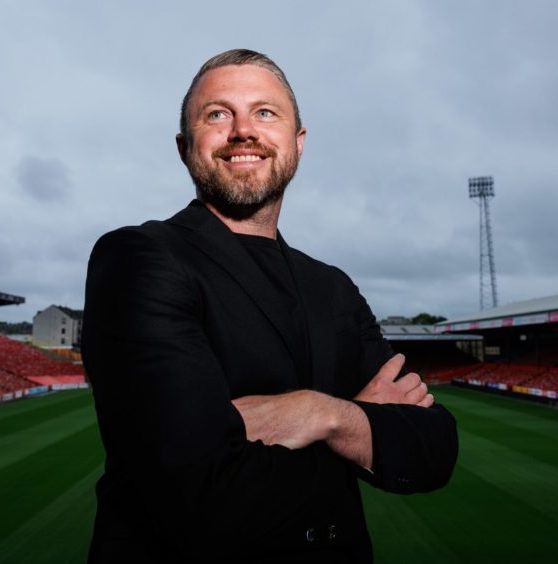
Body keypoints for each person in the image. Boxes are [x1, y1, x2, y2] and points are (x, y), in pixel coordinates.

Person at [82, 48, 458, 563]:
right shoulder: (140, 256)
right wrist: (362, 424)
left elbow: (434, 448)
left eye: (265, 112)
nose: (243, 131)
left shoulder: (334, 287)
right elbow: (197, 490)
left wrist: (320, 413)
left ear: (297, 143)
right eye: (217, 114)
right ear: (184, 145)